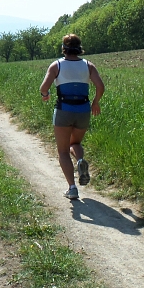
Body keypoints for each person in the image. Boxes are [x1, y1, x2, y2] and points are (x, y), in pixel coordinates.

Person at [39, 34, 104, 200]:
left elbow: (44, 87)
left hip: (63, 110)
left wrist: (45, 94)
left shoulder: (57, 65)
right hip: (83, 110)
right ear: (79, 47)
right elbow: (100, 86)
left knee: (62, 151)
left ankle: (72, 188)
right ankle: (81, 160)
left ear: (64, 48)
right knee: (75, 143)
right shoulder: (89, 66)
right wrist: (95, 103)